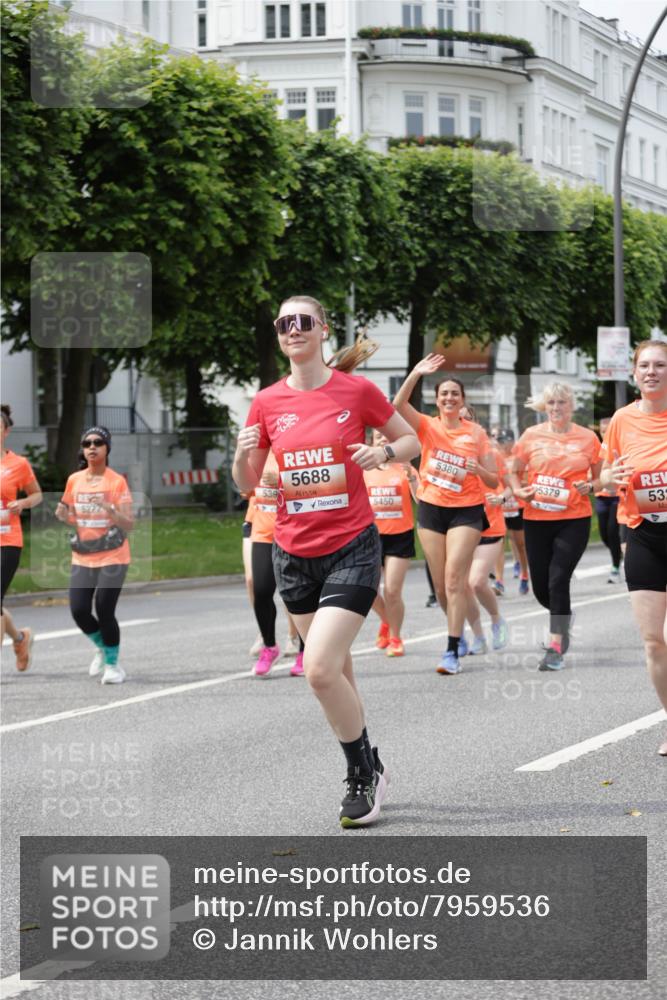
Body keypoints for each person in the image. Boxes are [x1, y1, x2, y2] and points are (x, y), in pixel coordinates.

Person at [233, 297, 419, 828]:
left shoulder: (355, 391)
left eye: (303, 322)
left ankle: (360, 773)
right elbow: (249, 484)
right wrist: (240, 452)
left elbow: (409, 439)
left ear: (322, 330)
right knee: (337, 671)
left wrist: (382, 453)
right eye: (284, 323)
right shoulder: (266, 401)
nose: (293, 330)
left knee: (317, 670)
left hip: (351, 547)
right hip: (293, 554)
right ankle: (371, 761)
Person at [393, 354, 498, 675]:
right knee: (440, 587)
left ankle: (451, 650)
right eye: (444, 394)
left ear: (462, 400)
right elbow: (398, 405)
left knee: (455, 580)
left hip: (466, 511)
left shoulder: (476, 433)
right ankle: (459, 634)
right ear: (437, 400)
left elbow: (494, 480)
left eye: (455, 394)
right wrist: (415, 373)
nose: (449, 398)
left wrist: (479, 469)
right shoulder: (427, 425)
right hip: (431, 508)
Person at [600, 340, 667, 757]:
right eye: (645, 365)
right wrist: (610, 477)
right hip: (643, 533)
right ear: (635, 372)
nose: (652, 372)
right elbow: (605, 474)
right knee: (653, 641)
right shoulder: (622, 420)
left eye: (660, 365)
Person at [508, 383, 602, 671]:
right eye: (551, 403)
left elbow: (600, 479)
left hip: (574, 519)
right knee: (541, 588)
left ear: (571, 406)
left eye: (562, 402)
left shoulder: (588, 438)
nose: (556, 408)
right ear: (544, 406)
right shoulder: (531, 436)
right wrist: (518, 490)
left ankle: (556, 647)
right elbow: (513, 471)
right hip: (536, 519)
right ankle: (563, 617)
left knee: (558, 579)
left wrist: (591, 486)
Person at [55, 427, 134, 684]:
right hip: (84, 555)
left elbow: (129, 523)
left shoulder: (116, 481)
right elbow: (73, 517)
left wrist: (111, 510)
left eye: (98, 442)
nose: (92, 447)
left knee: (103, 608)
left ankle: (113, 666)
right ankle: (102, 646)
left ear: (107, 448)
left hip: (113, 555)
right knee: (79, 610)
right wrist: (64, 516)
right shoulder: (74, 480)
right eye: (87, 443)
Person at [250, 451, 305, 677]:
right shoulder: (257, 453)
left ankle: (305, 650)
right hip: (263, 532)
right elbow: (244, 486)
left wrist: (283, 481)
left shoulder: (295, 447)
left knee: (301, 593)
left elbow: (318, 486)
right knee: (261, 590)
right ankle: (270, 646)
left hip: (296, 531)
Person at [364, 431, 416, 657]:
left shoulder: (404, 466)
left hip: (399, 535)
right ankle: (387, 619)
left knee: (392, 590)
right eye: (378, 437)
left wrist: (412, 478)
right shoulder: (364, 470)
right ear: (371, 441)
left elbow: (420, 499)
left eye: (387, 436)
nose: (383, 439)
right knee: (367, 591)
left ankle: (395, 637)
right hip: (370, 536)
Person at [1, 404, 43, 671]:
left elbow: (36, 494)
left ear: (6, 432)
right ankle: (20, 639)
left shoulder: (18, 464)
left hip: (8, 540)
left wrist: (23, 503)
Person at [465, 440, 509, 655]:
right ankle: (478, 637)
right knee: (462, 587)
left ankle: (496, 619)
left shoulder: (492, 455)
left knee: (476, 582)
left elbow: (511, 486)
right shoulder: (449, 454)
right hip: (462, 528)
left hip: (490, 527)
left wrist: (501, 498)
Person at [492, 429, 530, 596]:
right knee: (498, 544)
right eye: (499, 441)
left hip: (517, 506)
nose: (501, 444)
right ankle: (499, 581)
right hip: (501, 506)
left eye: (504, 441)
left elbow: (526, 480)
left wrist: (518, 485)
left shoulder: (518, 458)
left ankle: (524, 574)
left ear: (512, 441)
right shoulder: (495, 457)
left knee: (520, 544)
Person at [595, 417, 623, 584]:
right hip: (601, 498)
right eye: (602, 431)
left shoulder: (618, 446)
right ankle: (618, 553)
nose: (605, 434)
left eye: (607, 431)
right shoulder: (596, 449)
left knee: (612, 531)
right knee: (604, 535)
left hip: (616, 497)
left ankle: (615, 568)